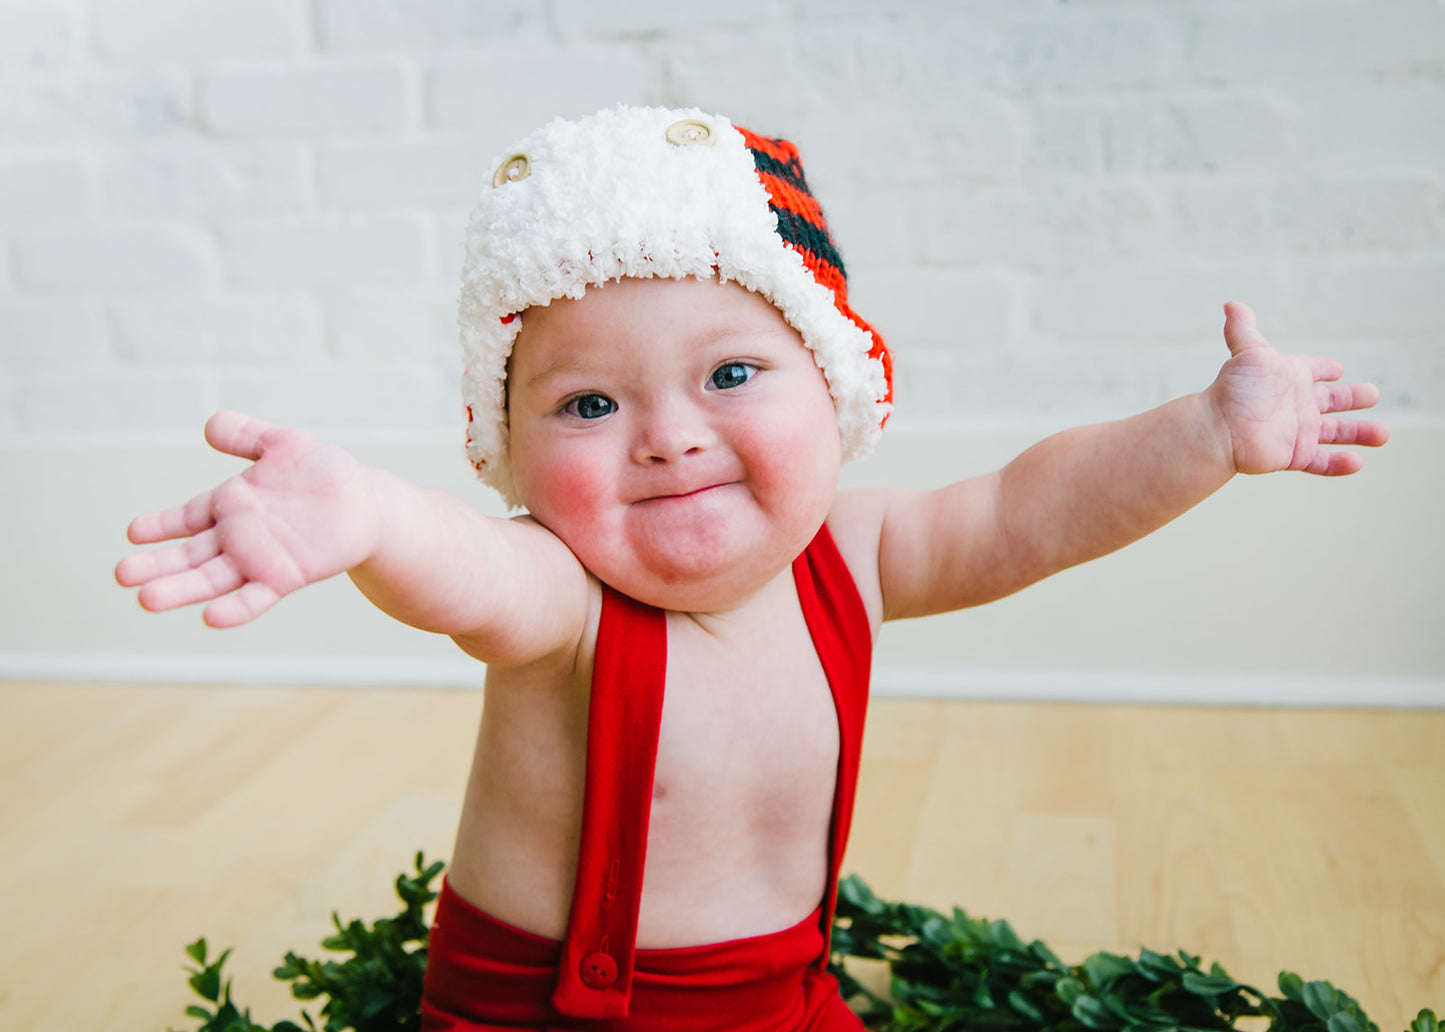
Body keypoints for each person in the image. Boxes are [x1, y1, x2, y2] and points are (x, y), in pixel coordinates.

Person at [115, 106, 1388, 1031]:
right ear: (509, 451)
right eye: (587, 404)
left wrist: (1205, 436)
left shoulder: (857, 552)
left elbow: (1025, 509)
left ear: (834, 397)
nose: (668, 433)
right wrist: (372, 517)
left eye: (730, 375)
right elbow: (464, 575)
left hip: (783, 991)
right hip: (553, 1017)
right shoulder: (564, 596)